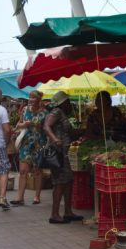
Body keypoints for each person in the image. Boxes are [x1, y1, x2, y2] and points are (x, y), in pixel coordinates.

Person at [43, 92, 83, 224]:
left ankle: (68, 212)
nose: (70, 104)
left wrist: (84, 131)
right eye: (68, 101)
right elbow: (46, 126)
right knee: (59, 182)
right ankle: (54, 214)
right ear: (63, 103)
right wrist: (55, 139)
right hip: (57, 152)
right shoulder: (57, 111)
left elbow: (69, 133)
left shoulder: (63, 114)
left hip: (64, 151)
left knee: (68, 181)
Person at [10, 90, 47, 206]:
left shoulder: (45, 113)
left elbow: (47, 128)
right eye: (30, 97)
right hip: (26, 143)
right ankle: (20, 197)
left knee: (37, 171)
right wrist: (24, 124)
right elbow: (18, 125)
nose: (30, 100)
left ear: (39, 100)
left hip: (39, 144)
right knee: (23, 171)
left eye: (33, 98)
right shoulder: (25, 109)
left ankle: (37, 196)